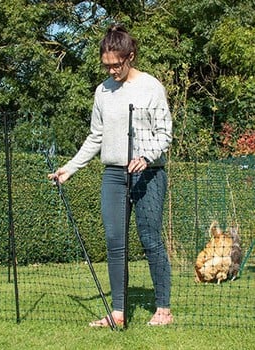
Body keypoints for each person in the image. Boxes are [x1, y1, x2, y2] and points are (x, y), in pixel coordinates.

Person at [48, 24, 173, 327]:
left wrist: (146, 157)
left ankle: (163, 309)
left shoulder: (151, 87)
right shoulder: (102, 91)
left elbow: (165, 132)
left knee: (150, 240)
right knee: (115, 241)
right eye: (107, 65)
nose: (112, 70)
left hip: (148, 175)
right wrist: (69, 168)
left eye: (117, 64)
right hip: (114, 176)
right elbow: (95, 137)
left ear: (130, 56)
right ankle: (117, 312)